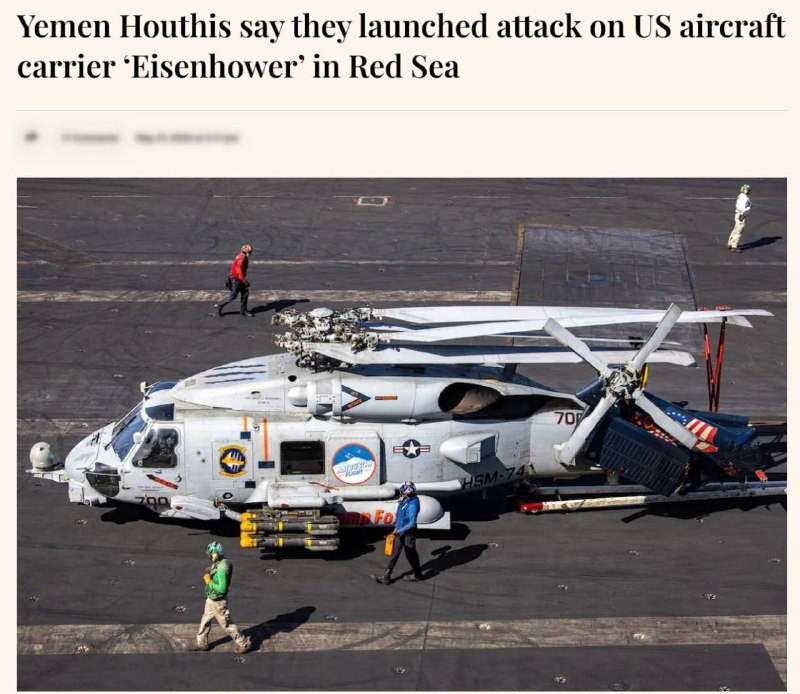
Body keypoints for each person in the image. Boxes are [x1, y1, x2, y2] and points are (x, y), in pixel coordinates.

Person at [190, 541, 253, 653]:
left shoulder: (221, 570)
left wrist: (209, 582)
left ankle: (244, 643)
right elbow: (218, 568)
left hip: (218, 602)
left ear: (215, 554)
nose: (209, 556)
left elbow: (222, 588)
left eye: (211, 554)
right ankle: (201, 643)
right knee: (205, 620)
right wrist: (211, 570)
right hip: (211, 598)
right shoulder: (223, 561)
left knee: (226, 624)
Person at [374, 482, 427, 584]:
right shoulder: (404, 500)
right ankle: (386, 576)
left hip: (408, 533)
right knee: (395, 553)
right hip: (401, 531)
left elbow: (411, 523)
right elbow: (400, 517)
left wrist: (397, 532)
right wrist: (394, 531)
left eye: (403, 491)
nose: (401, 493)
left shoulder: (413, 505)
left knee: (410, 554)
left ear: (408, 493)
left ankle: (418, 575)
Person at [217, 244, 255, 317]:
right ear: (246, 252)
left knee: (245, 293)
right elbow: (239, 272)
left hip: (239, 279)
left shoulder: (241, 256)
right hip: (236, 280)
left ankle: (243, 311)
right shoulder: (241, 258)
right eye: (250, 252)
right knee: (233, 296)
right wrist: (245, 281)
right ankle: (220, 305)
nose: (250, 253)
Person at [727, 184, 752, 252]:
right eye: (749, 190)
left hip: (738, 214)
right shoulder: (744, 198)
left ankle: (730, 243)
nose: (749, 191)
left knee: (736, 229)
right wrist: (748, 208)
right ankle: (734, 246)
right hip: (741, 215)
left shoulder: (741, 196)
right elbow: (742, 208)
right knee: (739, 230)